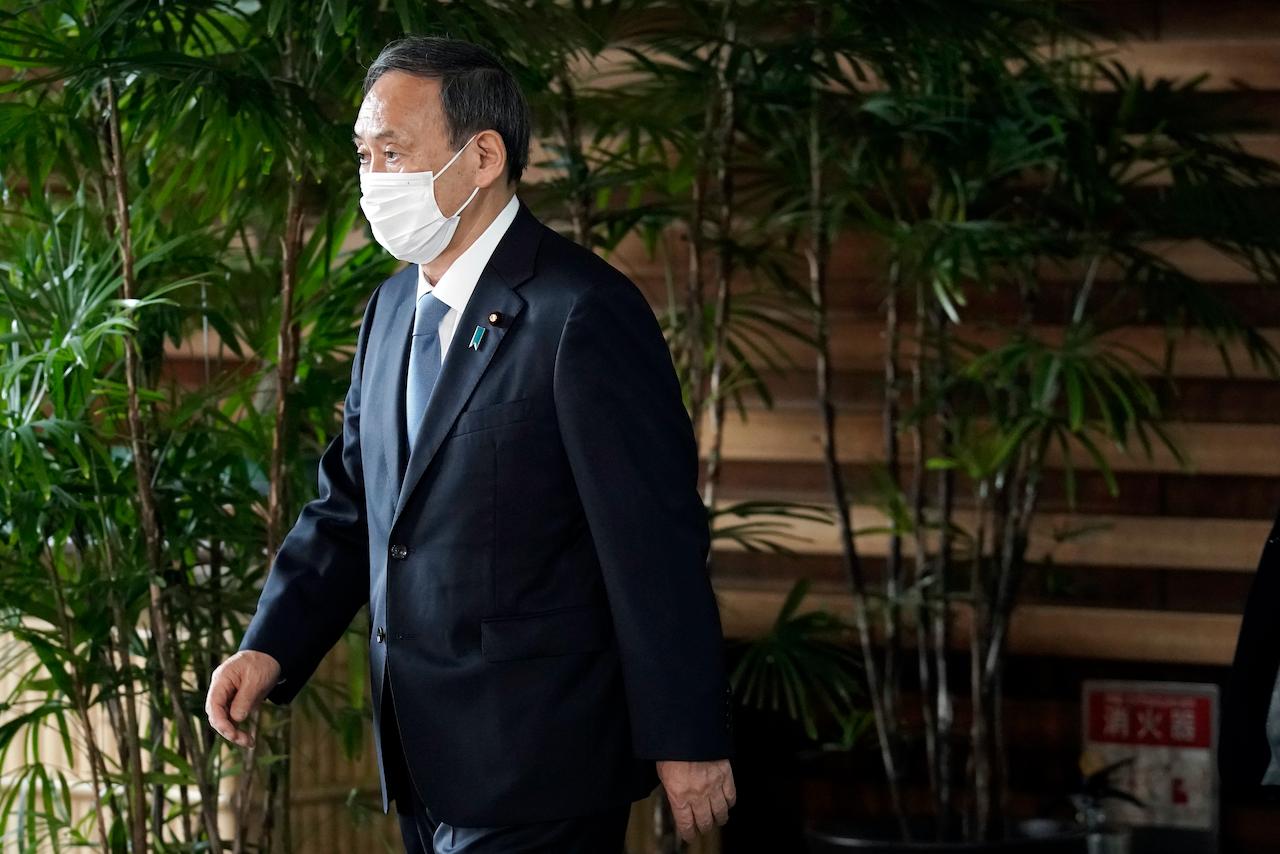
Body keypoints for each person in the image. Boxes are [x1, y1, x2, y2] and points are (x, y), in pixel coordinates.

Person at [204, 36, 736, 853]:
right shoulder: (390, 309)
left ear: (483, 156)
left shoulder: (581, 311)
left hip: (542, 757)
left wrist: (687, 733)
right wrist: (270, 646)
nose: (373, 178)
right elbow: (354, 504)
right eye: (364, 155)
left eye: (393, 152)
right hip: (423, 758)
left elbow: (653, 543)